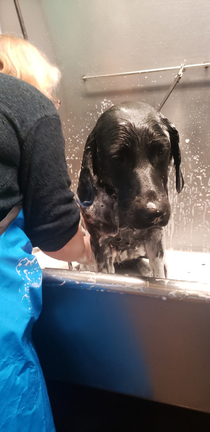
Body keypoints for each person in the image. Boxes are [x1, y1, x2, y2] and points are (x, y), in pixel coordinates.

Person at [0, 34, 94, 432]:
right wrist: (91, 245)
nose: (53, 102)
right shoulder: (25, 105)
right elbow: (60, 237)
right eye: (51, 93)